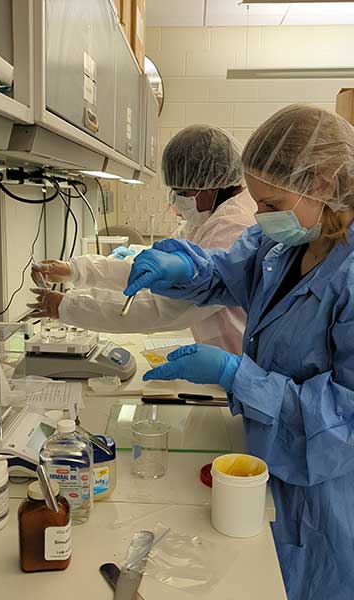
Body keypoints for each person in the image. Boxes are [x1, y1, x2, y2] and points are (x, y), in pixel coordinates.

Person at [123, 104, 354, 600]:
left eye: (270, 203)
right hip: (273, 455)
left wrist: (236, 376)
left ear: (324, 183)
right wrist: (185, 269)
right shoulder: (287, 243)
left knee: (311, 581)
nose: (261, 216)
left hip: (329, 487)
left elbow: (345, 413)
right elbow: (229, 270)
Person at [28, 125, 256, 354]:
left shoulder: (232, 227)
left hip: (237, 361)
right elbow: (149, 270)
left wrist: (68, 306)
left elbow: (169, 308)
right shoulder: (208, 218)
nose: (176, 202)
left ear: (211, 185)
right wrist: (76, 270)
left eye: (183, 193)